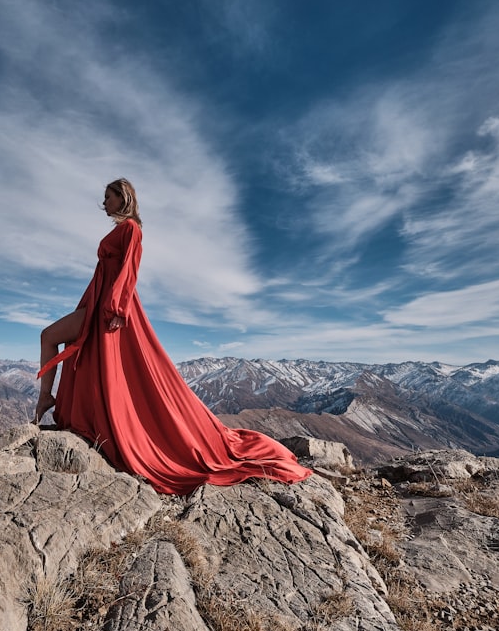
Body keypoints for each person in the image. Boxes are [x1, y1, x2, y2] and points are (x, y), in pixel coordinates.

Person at [34, 178, 312, 495]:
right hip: (95, 303)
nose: (104, 203)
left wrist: (116, 308)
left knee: (70, 347)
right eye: (104, 197)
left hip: (110, 309)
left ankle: (57, 401)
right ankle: (47, 396)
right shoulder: (118, 230)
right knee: (49, 336)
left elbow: (129, 270)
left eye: (108, 197)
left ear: (123, 197)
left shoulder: (131, 230)